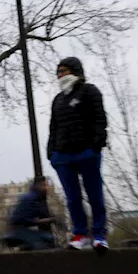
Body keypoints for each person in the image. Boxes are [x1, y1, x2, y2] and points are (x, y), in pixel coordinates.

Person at [47, 56, 109, 252]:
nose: (60, 75)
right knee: (72, 199)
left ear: (75, 71)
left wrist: (95, 146)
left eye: (63, 71)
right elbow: (53, 128)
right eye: (58, 72)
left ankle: (99, 235)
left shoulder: (90, 91)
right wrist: (52, 153)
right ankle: (80, 234)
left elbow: (100, 119)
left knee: (94, 195)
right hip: (63, 156)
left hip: (86, 152)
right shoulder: (58, 99)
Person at [4, 177, 57, 251]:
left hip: (19, 229)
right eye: (44, 185)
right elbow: (23, 219)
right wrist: (51, 220)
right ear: (38, 186)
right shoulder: (32, 198)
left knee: (46, 238)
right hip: (18, 231)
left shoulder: (33, 197)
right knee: (46, 240)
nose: (46, 188)